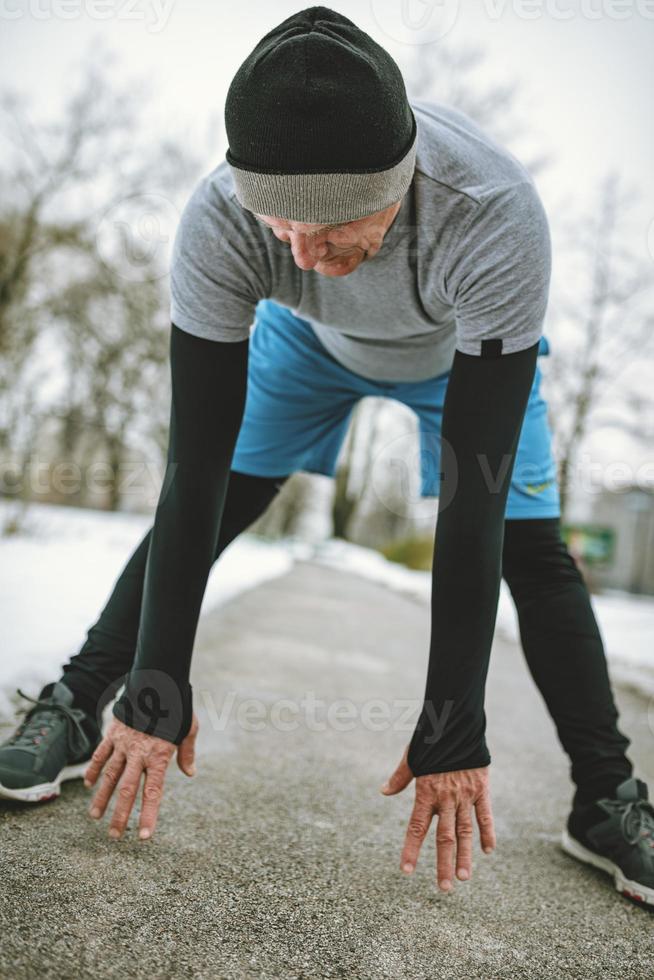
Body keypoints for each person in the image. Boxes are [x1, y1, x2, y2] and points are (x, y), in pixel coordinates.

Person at [1, 6, 652, 905]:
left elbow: (473, 505)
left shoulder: (493, 213)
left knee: (530, 548)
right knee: (221, 496)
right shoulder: (218, 222)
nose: (308, 253)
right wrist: (157, 685)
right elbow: (190, 473)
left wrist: (452, 726)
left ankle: (608, 798)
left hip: (461, 355)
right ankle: (77, 705)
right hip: (306, 351)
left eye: (338, 223)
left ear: (403, 177)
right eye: (281, 227)